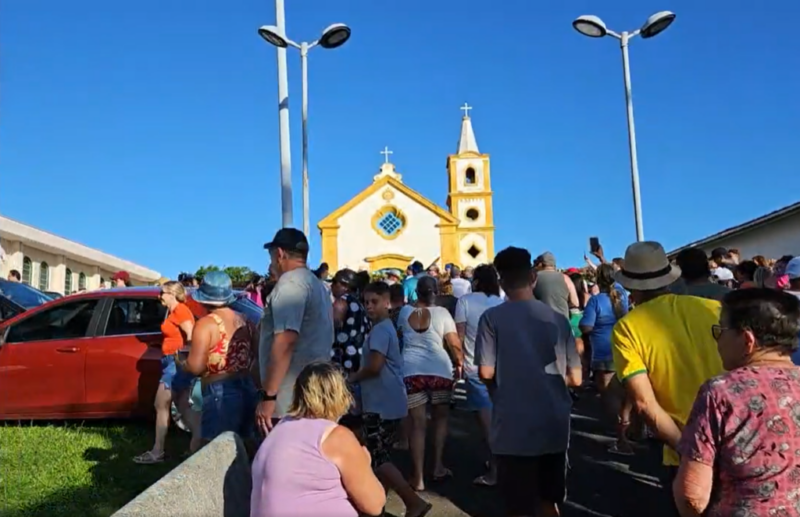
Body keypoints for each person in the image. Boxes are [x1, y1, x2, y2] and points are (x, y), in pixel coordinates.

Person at [611, 241, 724, 508]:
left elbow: (643, 403)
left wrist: (690, 451)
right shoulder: (713, 309)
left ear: (629, 285)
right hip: (736, 437)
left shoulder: (627, 328)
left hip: (682, 446)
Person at [674, 289, 800, 516]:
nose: (718, 339)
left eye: (720, 330)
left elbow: (692, 495)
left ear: (747, 339)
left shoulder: (721, 392)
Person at [476, 246, 582, 517]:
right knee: (549, 500)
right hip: (554, 422)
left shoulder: (491, 319)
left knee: (517, 505)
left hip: (512, 423)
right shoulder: (558, 320)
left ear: (501, 282)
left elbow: (486, 373)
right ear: (533, 277)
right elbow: (576, 378)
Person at [250, 362, 386, 517]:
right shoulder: (335, 436)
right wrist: (365, 464)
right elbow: (374, 505)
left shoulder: (281, 428)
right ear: (341, 394)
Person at [350, 282, 432, 517]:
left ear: (387, 303)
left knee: (378, 457)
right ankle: (377, 506)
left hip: (381, 405)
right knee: (379, 454)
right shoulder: (383, 328)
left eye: (374, 302)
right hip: (385, 402)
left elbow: (374, 366)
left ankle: (412, 501)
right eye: (366, 302)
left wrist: (352, 377)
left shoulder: (380, 331)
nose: (369, 307)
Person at [257, 228, 334, 433]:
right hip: (314, 392)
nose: (272, 263)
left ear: (280, 253)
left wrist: (270, 396)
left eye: (272, 256)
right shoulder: (318, 285)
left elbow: (286, 341)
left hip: (289, 400)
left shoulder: (289, 284)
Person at [397, 276, 463, 491]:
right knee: (440, 420)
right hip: (440, 370)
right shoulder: (443, 314)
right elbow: (454, 344)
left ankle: (417, 477)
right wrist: (460, 364)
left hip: (411, 371)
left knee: (417, 426)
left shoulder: (405, 312)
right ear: (435, 291)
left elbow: (399, 337)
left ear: (417, 291)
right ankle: (437, 466)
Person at [183, 271, 259, 444]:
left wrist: (182, 364)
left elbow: (196, 366)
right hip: (247, 386)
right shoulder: (246, 320)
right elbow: (256, 355)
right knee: (244, 444)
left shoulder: (206, 324)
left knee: (215, 447)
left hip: (219, 389)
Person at [134, 281, 197, 464]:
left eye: (162, 292)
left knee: (160, 403)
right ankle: (201, 441)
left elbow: (191, 335)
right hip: (169, 360)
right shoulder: (171, 311)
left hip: (175, 363)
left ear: (172, 293)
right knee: (183, 404)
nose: (159, 295)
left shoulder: (181, 311)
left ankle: (157, 451)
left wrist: (184, 358)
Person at [454, 264, 504, 486]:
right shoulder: (501, 302)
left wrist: (458, 362)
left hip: (475, 367)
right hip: (501, 367)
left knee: (487, 425)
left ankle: (496, 471)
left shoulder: (465, 301)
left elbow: (460, 335)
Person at [579, 264, 630, 454]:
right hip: (624, 350)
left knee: (610, 396)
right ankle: (629, 427)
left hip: (603, 351)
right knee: (626, 393)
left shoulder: (596, 301)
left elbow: (586, 326)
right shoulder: (622, 297)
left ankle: (621, 438)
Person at [330, 269, 370, 376]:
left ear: (345, 286)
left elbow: (332, 330)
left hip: (341, 361)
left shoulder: (340, 303)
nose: (331, 285)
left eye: (334, 282)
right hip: (357, 360)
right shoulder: (360, 304)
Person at [533, 252, 579, 320]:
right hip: (562, 324)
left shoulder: (534, 278)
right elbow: (575, 302)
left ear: (541, 264)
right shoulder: (565, 278)